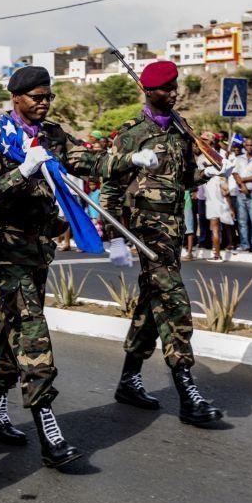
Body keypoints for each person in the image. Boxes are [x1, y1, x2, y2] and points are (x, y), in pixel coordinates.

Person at [0, 65, 106, 468]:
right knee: (32, 329)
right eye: (36, 97)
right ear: (17, 98)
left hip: (39, 246)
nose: (44, 103)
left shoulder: (54, 135)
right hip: (7, 245)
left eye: (48, 96)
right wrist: (22, 171)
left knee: (10, 323)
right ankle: (48, 426)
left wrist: (131, 158)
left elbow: (88, 162)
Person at [99, 59, 229, 427]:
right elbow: (109, 188)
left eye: (175, 88)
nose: (173, 94)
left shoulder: (179, 132)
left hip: (171, 232)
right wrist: (116, 240)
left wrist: (210, 172)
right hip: (145, 233)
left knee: (150, 305)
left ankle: (129, 379)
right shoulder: (131, 134)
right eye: (165, 89)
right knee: (174, 303)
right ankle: (188, 392)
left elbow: (184, 179)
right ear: (148, 90)